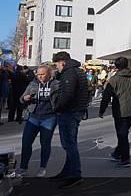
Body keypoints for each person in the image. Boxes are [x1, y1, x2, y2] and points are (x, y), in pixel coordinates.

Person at [49, 51, 88, 189]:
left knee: (69, 144)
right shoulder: (77, 71)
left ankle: (75, 174)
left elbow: (67, 94)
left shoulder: (70, 73)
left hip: (69, 111)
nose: (56, 68)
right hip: (76, 110)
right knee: (71, 143)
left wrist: (58, 107)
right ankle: (67, 171)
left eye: (57, 65)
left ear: (62, 62)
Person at [99, 57, 131, 167]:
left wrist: (102, 110)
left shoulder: (114, 79)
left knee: (122, 135)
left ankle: (125, 158)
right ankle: (117, 153)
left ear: (117, 66)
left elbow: (106, 96)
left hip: (119, 110)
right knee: (124, 133)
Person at [14, 65, 59, 177]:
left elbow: (62, 100)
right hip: (33, 117)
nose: (40, 76)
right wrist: (25, 98)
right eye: (38, 74)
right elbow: (21, 98)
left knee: (45, 143)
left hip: (49, 117)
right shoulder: (33, 83)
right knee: (26, 142)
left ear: (49, 74)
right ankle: (23, 167)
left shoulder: (56, 84)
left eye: (42, 74)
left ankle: (42, 167)